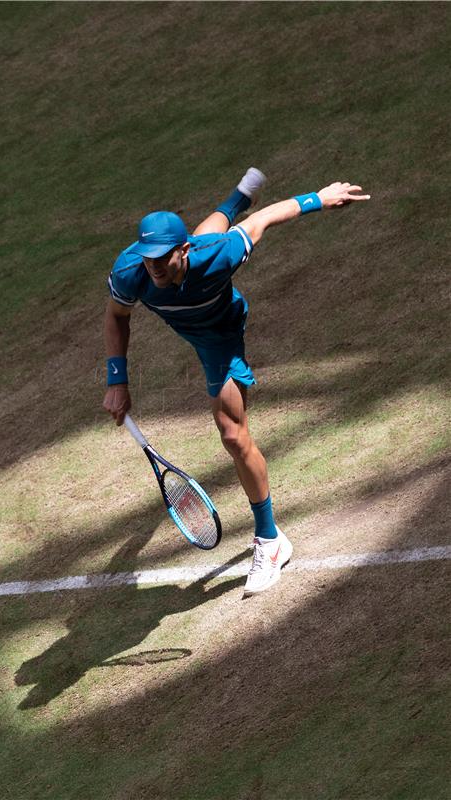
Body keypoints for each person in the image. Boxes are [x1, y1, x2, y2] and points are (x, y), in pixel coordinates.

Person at [103, 169, 370, 596]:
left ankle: (270, 541)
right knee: (211, 226)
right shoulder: (132, 271)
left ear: (182, 251)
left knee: (232, 433)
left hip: (220, 334)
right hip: (190, 308)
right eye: (146, 256)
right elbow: (116, 317)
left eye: (161, 256)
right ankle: (234, 197)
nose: (152, 265)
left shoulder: (219, 255)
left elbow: (261, 222)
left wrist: (319, 198)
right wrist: (117, 379)